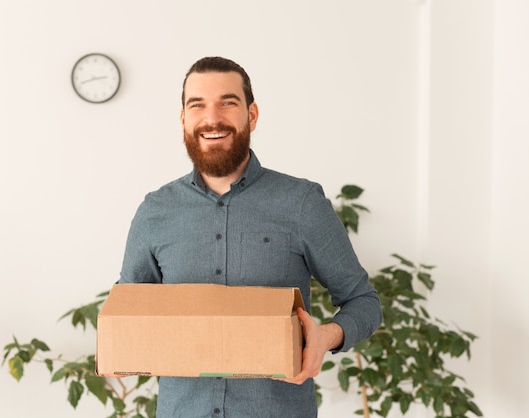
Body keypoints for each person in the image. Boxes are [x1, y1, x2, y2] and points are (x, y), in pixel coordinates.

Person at [117, 56, 382, 418]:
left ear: (252, 115)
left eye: (228, 102)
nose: (212, 118)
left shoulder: (302, 203)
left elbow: (363, 302)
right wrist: (123, 346)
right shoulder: (154, 211)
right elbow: (129, 312)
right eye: (198, 105)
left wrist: (326, 337)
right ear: (183, 119)